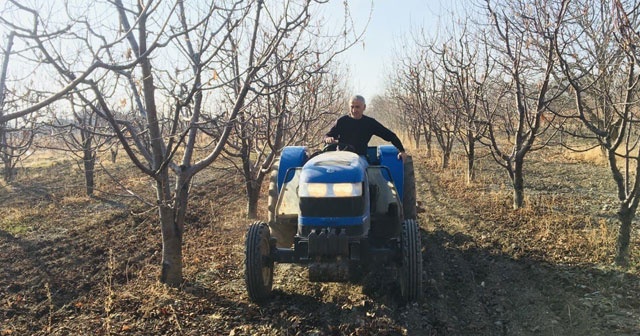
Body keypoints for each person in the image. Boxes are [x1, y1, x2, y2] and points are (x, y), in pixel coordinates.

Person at [324, 95, 408, 161]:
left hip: (361, 158)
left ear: (364, 107)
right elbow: (328, 135)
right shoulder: (342, 121)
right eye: (352, 107)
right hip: (342, 157)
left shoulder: (369, 123)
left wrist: (401, 150)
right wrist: (328, 138)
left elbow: (390, 135)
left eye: (357, 107)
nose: (354, 110)